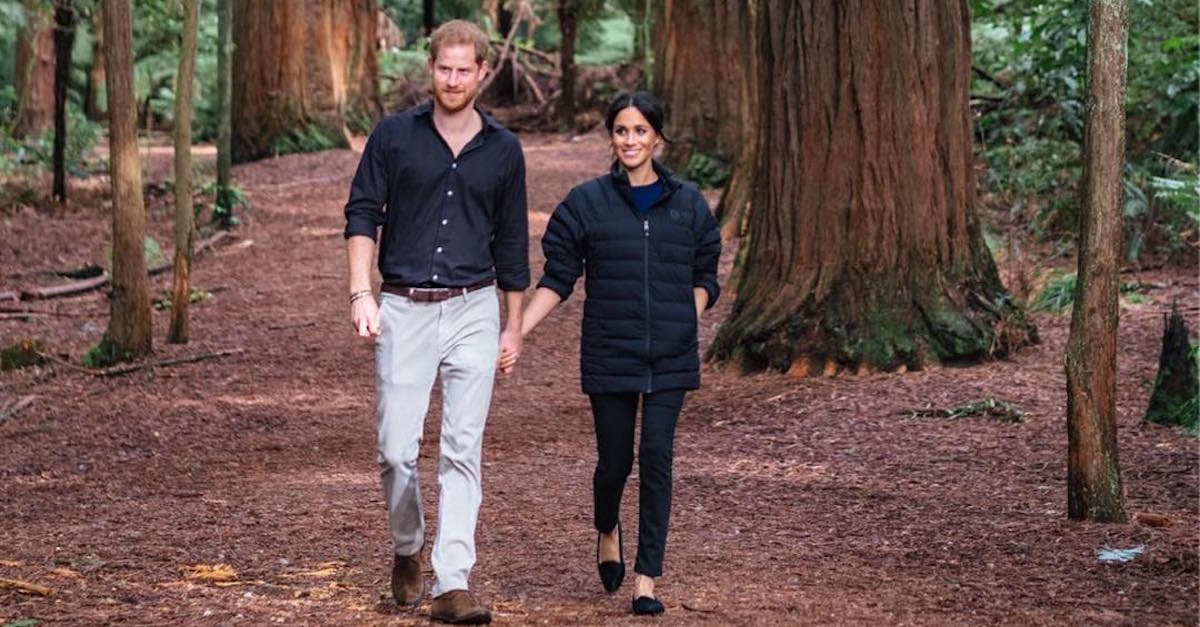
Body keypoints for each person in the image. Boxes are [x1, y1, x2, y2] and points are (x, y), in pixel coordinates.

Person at [505, 91, 721, 616]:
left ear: (658, 138)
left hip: (670, 357)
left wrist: (685, 316)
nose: (631, 140)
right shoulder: (587, 203)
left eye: (641, 131)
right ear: (612, 137)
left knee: (657, 459)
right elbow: (558, 278)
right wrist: (517, 333)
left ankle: (647, 577)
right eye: (622, 130)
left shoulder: (688, 203)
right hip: (610, 353)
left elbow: (706, 273)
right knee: (614, 463)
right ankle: (606, 525)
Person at [343, 19, 527, 625]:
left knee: (462, 449)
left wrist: (513, 324)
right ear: (433, 70)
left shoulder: (503, 150)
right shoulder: (395, 137)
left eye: (464, 69)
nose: (453, 79)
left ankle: (453, 581)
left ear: (481, 73)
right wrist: (360, 293)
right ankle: (406, 546)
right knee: (396, 449)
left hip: (475, 308)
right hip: (402, 306)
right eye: (444, 68)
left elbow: (513, 244)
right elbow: (363, 212)